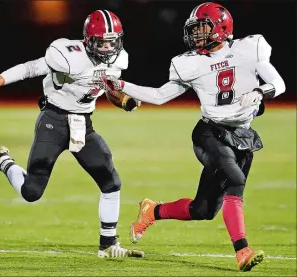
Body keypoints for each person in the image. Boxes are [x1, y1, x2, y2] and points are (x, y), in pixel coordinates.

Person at [100, 2, 285, 271]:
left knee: (203, 210)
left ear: (221, 27)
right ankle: (243, 251)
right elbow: (161, 96)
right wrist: (122, 85)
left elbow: (278, 84)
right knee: (235, 179)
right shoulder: (189, 63)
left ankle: (153, 211)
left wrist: (259, 92)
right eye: (194, 30)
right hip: (210, 133)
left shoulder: (250, 48)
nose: (195, 35)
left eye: (201, 28)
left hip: (242, 134)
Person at [0, 10, 142, 258]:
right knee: (31, 192)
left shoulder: (119, 59)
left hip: (83, 123)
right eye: (100, 42)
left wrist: (124, 100)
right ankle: (2, 161)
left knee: (111, 181)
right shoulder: (67, 55)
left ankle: (108, 244)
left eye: (111, 43)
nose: (106, 48)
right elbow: (30, 68)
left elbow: (109, 88)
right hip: (54, 120)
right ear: (88, 40)